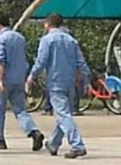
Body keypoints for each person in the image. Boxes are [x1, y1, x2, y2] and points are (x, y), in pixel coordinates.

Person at [26, 13, 89, 159]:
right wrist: (86, 80)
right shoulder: (71, 40)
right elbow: (81, 62)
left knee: (63, 115)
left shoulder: (47, 40)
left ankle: (77, 145)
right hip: (70, 82)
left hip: (55, 82)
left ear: (47, 24)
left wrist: (31, 76)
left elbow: (41, 61)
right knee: (64, 114)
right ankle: (53, 143)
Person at [0, 15, 43, 151]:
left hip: (5, 78)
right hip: (19, 78)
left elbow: (1, 61)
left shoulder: (0, 39)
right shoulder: (20, 38)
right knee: (20, 110)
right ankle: (33, 131)